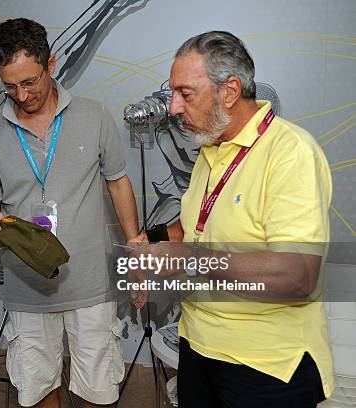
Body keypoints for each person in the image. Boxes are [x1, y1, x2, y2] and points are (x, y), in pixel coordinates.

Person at [130, 31, 334, 407]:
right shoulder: (211, 147)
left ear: (229, 91)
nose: (173, 107)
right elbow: (200, 227)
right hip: (199, 347)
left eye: (184, 93)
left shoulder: (291, 153)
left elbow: (298, 275)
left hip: (266, 367)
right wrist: (156, 242)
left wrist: (189, 258)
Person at [0, 18, 139, 408]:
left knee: (98, 389)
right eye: (9, 85)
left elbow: (118, 181)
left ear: (51, 64)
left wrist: (133, 247)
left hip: (91, 284)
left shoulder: (94, 115)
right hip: (27, 287)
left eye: (30, 82)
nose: (22, 95)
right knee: (38, 389)